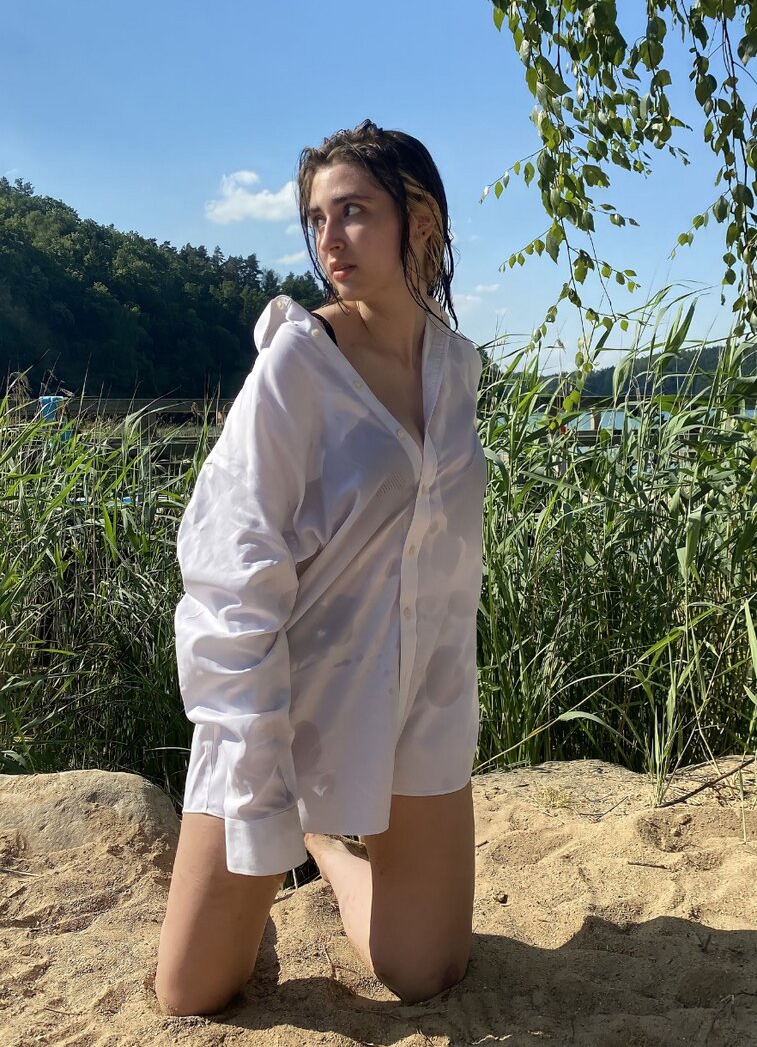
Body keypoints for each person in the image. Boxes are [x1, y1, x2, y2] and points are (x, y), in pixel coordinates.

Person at [154, 119, 488, 1016]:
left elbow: (446, 563)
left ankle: (330, 853)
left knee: (427, 972)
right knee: (192, 992)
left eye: (353, 212)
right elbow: (229, 560)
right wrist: (250, 743)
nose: (329, 239)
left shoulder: (456, 370)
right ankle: (299, 830)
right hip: (283, 697)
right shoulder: (300, 363)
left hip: (416, 702)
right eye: (316, 218)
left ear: (421, 220)